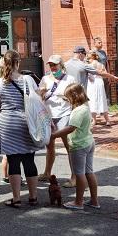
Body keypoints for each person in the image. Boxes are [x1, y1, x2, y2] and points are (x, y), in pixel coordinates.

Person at [0, 50, 41, 208]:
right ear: (18, 63)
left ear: (4, 63)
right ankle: (33, 197)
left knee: (13, 160)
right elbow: (38, 100)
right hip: (25, 122)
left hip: (7, 123)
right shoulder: (27, 80)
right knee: (29, 160)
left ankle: (16, 198)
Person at [50, 84, 100, 211]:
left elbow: (71, 127)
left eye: (68, 98)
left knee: (79, 174)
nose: (67, 101)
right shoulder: (85, 107)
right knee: (89, 172)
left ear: (74, 96)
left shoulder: (78, 111)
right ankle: (94, 201)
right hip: (89, 142)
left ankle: (78, 202)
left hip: (79, 145)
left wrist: (54, 135)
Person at [37, 54, 77, 183]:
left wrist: (67, 97)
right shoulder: (45, 79)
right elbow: (39, 97)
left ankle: (74, 176)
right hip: (48, 115)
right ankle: (47, 173)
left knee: (68, 145)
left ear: (61, 65)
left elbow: (77, 96)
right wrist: (41, 93)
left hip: (64, 113)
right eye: (51, 65)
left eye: (55, 64)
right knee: (50, 146)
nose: (53, 67)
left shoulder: (70, 79)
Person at [86, 52, 110, 126]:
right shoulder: (101, 64)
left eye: (88, 58)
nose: (88, 60)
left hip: (92, 83)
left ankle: (94, 120)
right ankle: (107, 120)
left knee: (92, 100)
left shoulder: (89, 65)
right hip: (99, 82)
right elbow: (105, 74)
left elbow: (89, 75)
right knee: (102, 99)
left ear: (92, 58)